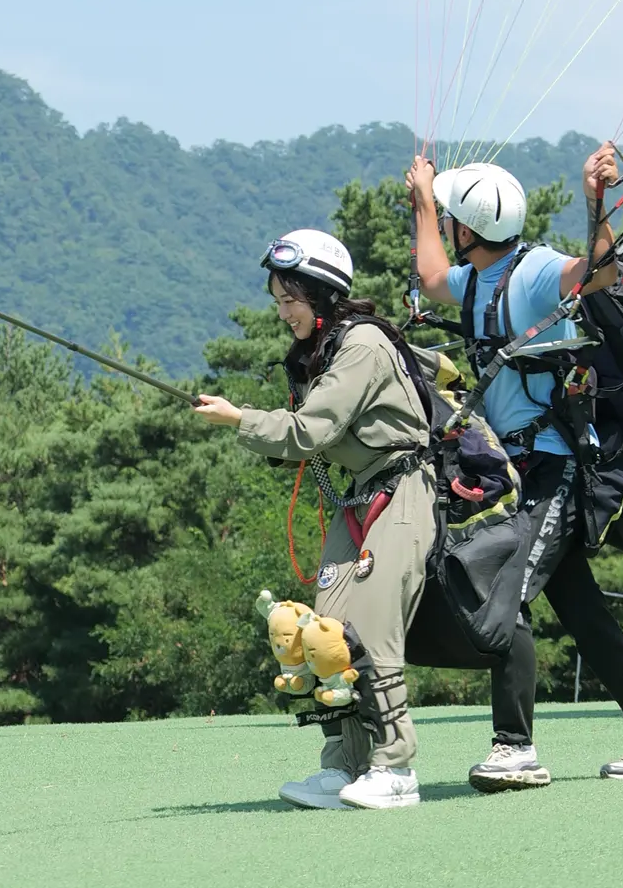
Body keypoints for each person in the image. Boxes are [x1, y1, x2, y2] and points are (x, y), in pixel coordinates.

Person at [192, 224, 533, 810]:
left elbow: (311, 430)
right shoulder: (321, 351)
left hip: (405, 489)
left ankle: (395, 768)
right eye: (278, 301)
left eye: (291, 299)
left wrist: (238, 419)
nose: (284, 313)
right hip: (360, 496)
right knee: (318, 635)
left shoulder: (363, 345)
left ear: (323, 295)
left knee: (372, 629)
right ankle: (344, 764)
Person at [408, 142, 623, 783]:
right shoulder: (474, 280)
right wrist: (423, 199)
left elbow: (597, 275)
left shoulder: (532, 271)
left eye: (451, 218)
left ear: (469, 229)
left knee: (502, 591)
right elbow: (430, 277)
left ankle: (515, 747)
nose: (446, 228)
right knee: (580, 608)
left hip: (552, 466)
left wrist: (597, 203)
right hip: (516, 471)